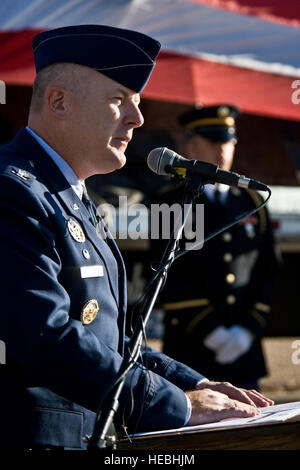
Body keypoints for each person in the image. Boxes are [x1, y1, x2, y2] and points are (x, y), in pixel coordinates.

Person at [0, 27, 273, 451]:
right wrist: (179, 405)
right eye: (118, 99)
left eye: (138, 103)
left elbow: (109, 340)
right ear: (59, 102)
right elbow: (46, 338)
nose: (138, 119)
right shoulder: (13, 191)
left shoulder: (66, 191)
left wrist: (196, 383)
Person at [153, 104, 281, 390]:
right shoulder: (170, 201)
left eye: (228, 141)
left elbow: (268, 268)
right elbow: (165, 271)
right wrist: (212, 332)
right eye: (213, 141)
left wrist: (247, 330)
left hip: (244, 351)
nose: (222, 149)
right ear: (190, 142)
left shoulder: (251, 201)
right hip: (191, 350)